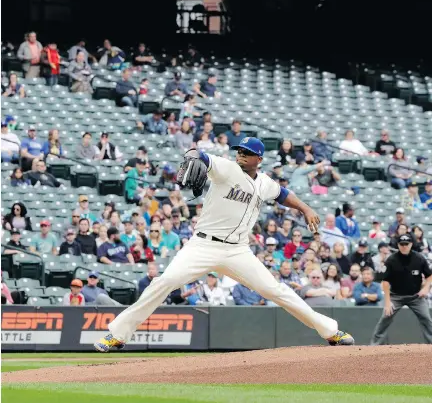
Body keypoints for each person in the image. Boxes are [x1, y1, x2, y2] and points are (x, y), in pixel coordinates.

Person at [94, 136, 354, 352]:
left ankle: (330, 331)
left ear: (259, 159)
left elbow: (284, 195)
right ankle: (118, 334)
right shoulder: (226, 168)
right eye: (239, 150)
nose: (241, 154)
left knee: (276, 290)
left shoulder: (264, 183)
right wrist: (193, 155)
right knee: (164, 282)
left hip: (238, 250)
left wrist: (306, 209)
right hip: (202, 246)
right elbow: (201, 155)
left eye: (247, 152)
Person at [371, 234, 432, 345]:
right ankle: (374, 346)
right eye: (401, 244)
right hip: (396, 296)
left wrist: (426, 288)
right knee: (385, 317)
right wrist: (388, 302)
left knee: (427, 319)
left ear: (411, 244)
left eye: (406, 244)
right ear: (398, 245)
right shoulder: (392, 260)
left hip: (416, 296)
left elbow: (429, 275)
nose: (404, 246)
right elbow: (385, 282)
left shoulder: (419, 258)